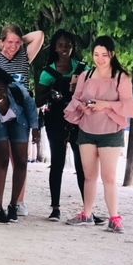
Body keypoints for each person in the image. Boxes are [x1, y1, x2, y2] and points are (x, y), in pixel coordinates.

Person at [64, 35, 133, 232]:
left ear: (112, 55)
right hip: (87, 130)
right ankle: (86, 214)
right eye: (96, 54)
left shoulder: (122, 77)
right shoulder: (85, 76)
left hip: (110, 132)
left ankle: (115, 218)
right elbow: (76, 99)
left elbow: (128, 105)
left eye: (104, 55)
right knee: (89, 176)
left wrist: (104, 105)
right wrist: (85, 106)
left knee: (109, 177)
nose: (100, 59)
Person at [36, 30, 105, 223]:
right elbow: (38, 99)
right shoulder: (48, 72)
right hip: (56, 120)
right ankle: (55, 208)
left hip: (79, 120)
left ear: (73, 47)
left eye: (68, 45)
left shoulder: (82, 69)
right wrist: (51, 93)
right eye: (60, 45)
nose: (64, 48)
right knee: (57, 162)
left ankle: (88, 210)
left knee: (82, 165)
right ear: (55, 48)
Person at [0, 23, 44, 216]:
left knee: (20, 160)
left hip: (21, 113)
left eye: (17, 42)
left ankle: (18, 202)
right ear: (1, 41)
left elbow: (39, 34)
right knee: (0, 158)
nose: (13, 45)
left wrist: (20, 42)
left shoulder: (25, 57)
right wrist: (0, 45)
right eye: (10, 41)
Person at [0, 67, 40, 224]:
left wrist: (35, 128)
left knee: (21, 161)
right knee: (2, 160)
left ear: (7, 87)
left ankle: (13, 206)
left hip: (19, 121)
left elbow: (30, 106)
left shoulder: (17, 91)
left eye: (1, 90)